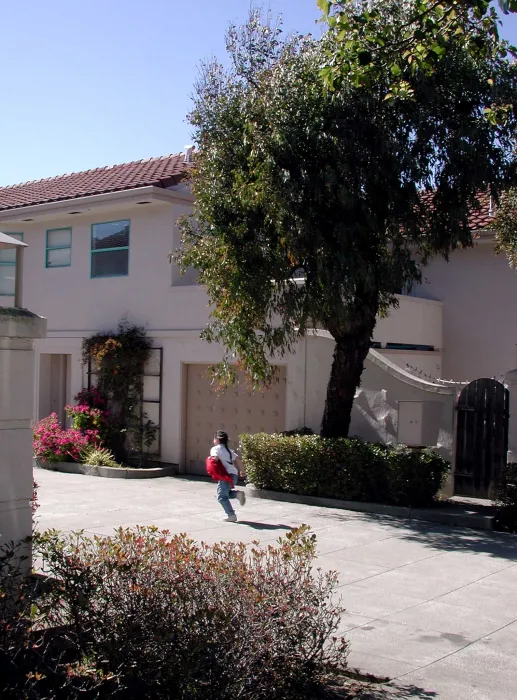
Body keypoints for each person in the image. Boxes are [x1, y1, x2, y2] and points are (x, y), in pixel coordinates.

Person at [210, 430, 246, 522]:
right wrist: (242, 470)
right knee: (224, 494)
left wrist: (211, 462)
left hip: (225, 476)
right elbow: (238, 459)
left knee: (221, 497)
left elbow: (215, 458)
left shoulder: (215, 449)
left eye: (214, 438)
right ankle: (237, 494)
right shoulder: (229, 450)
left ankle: (231, 515)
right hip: (234, 475)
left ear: (217, 439)